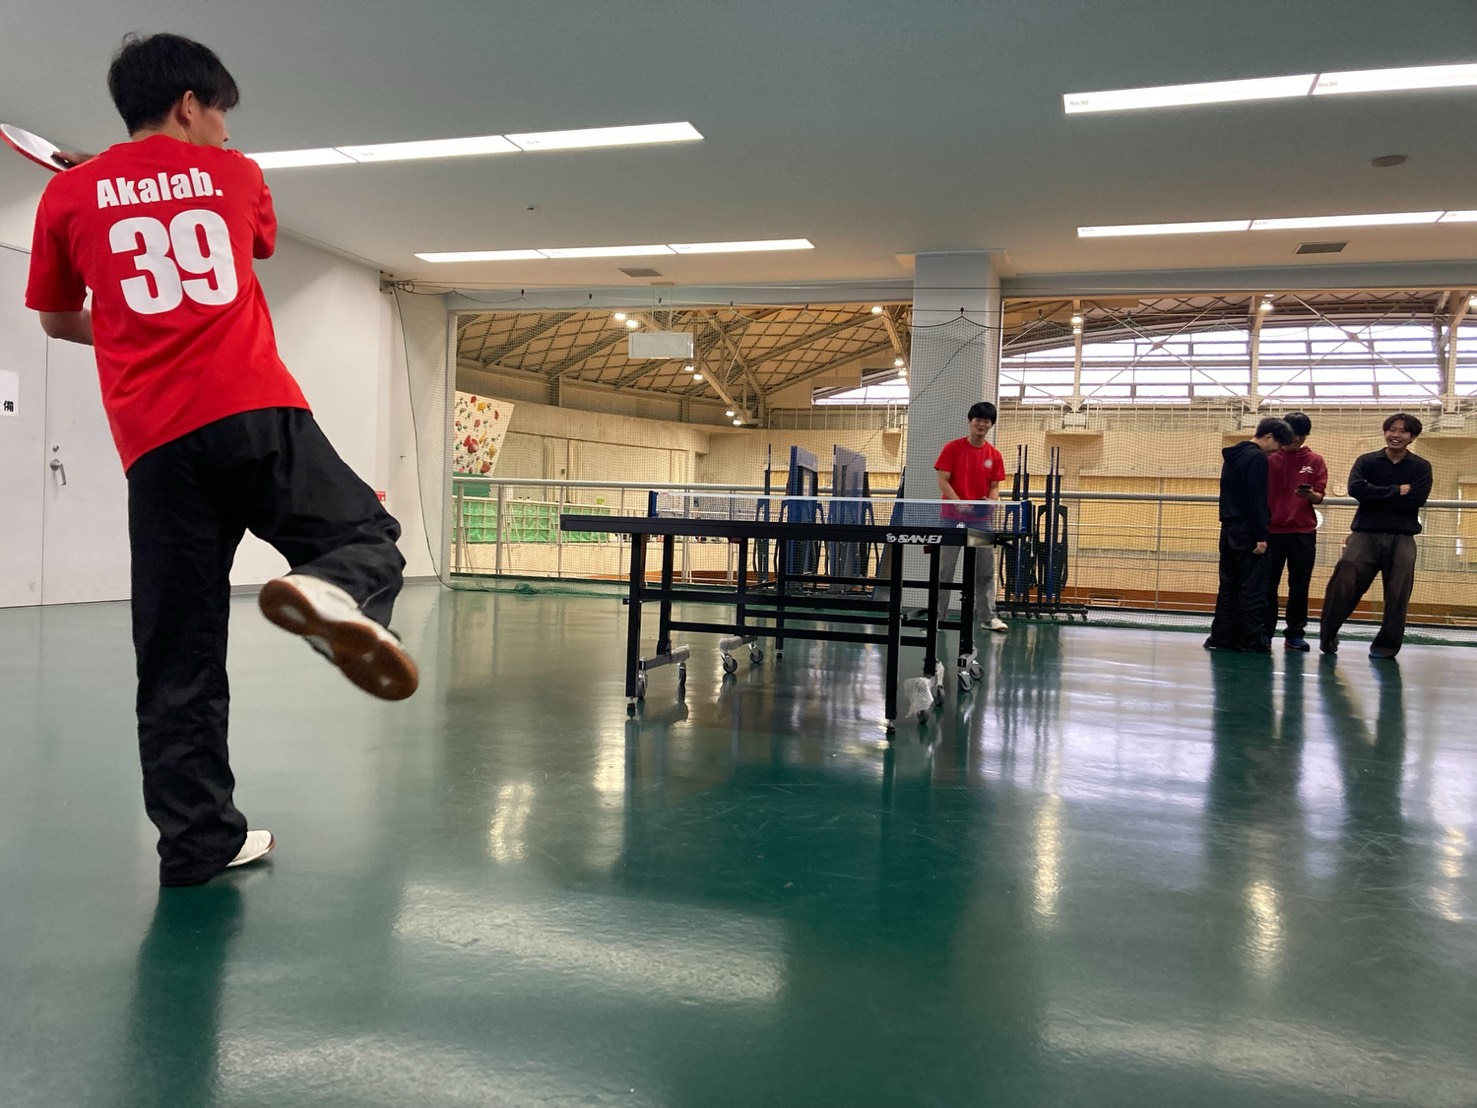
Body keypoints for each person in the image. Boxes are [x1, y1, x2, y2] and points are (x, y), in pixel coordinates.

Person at [25, 33, 418, 887]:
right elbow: (245, 243)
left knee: (177, 652)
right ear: (188, 105)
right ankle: (333, 589)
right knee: (365, 535)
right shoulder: (235, 176)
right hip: (252, 412)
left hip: (157, 448)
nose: (227, 132)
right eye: (221, 115)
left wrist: (101, 199)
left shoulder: (65, 197)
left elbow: (57, 323)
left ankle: (197, 844)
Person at [1318, 413, 1433, 659]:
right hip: (1364, 534)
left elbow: (1416, 499)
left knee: (1398, 593)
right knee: (1342, 585)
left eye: (1403, 431)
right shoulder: (1367, 461)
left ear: (1412, 437)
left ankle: (1386, 647)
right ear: (1385, 432)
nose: (1396, 435)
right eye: (1392, 429)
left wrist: (1375, 496)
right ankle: (1327, 637)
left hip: (1402, 538)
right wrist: (1396, 491)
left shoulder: (1421, 467)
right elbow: (1356, 489)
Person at [1204, 417, 1294, 652]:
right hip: (1248, 532)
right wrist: (1261, 535)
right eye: (1278, 445)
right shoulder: (1256, 458)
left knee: (1229, 587)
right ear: (1269, 437)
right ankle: (1249, 640)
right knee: (1252, 588)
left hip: (1229, 530)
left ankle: (1221, 637)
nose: (1276, 451)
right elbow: (1256, 498)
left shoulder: (1233, 456)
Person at [934, 401, 1007, 632]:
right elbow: (943, 480)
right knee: (944, 569)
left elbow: (994, 486)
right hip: (951, 518)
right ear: (970, 421)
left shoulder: (994, 455)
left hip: (981, 521)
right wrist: (958, 502)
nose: (982, 424)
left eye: (986, 421)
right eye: (978, 420)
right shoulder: (952, 448)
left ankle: (987, 617)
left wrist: (991, 502)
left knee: (985, 570)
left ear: (991, 424)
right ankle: (937, 617)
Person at [1264, 412, 1328, 651]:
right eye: (1293, 434)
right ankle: (1264, 632)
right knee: (1267, 585)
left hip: (1303, 533)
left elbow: (1319, 496)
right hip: (1271, 532)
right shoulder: (1268, 459)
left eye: (1302, 435)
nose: (1297, 439)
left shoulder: (1315, 460)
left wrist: (1310, 495)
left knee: (1300, 586)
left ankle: (1295, 634)